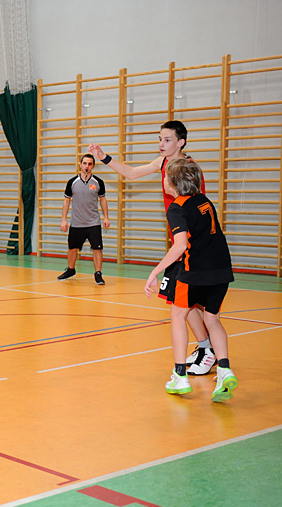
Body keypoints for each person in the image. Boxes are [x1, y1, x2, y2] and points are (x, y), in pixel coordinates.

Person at [88, 120, 216, 375]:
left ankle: (207, 350)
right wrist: (104, 158)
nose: (161, 144)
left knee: (188, 301)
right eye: (159, 139)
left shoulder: (189, 169)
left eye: (167, 139)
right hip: (181, 241)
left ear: (181, 142)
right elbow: (132, 173)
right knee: (188, 301)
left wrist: (188, 244)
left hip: (192, 244)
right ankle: (207, 348)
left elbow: (198, 206)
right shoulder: (163, 162)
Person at [144, 158, 237, 402]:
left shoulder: (176, 207)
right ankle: (225, 370)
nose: (163, 180)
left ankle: (179, 375)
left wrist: (155, 272)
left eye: (165, 177)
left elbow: (180, 245)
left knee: (178, 315)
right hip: (221, 270)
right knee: (212, 319)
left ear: (173, 183)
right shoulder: (204, 200)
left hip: (195, 271)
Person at [57, 154, 110, 285]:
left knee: (97, 248)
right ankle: (71, 269)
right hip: (77, 222)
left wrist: (106, 217)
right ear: (80, 165)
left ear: (93, 166)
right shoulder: (72, 182)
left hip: (93, 222)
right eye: (85, 163)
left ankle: (98, 273)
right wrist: (63, 219)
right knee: (72, 248)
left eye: (90, 164)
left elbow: (103, 200)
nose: (87, 166)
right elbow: (66, 201)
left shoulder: (98, 182)